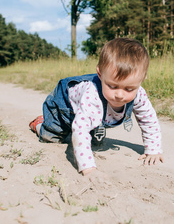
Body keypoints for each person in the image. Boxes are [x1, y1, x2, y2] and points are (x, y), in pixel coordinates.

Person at [29, 38, 163, 176]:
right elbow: (80, 129)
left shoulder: (139, 93)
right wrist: (88, 168)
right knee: (51, 137)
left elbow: (148, 119)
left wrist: (153, 149)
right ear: (100, 74)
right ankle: (39, 123)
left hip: (88, 112)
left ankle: (84, 125)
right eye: (112, 86)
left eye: (129, 89)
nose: (120, 95)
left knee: (94, 141)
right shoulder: (92, 94)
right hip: (64, 107)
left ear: (142, 79)